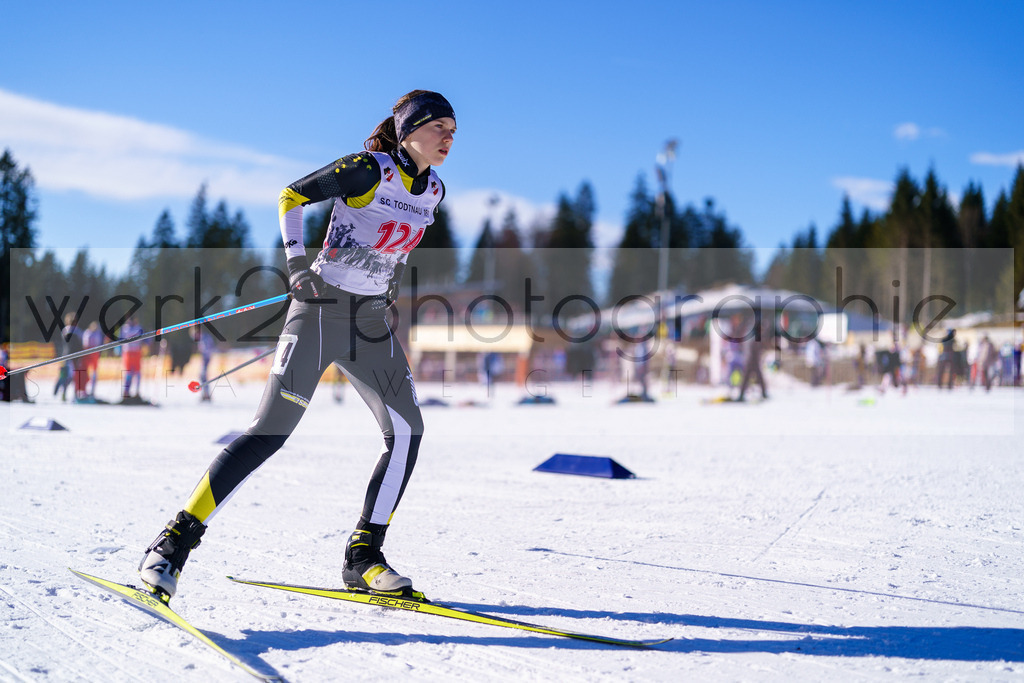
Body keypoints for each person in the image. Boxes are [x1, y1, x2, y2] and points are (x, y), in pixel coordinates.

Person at [138, 90, 456, 599]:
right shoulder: (367, 169)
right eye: (439, 126)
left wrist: (388, 276)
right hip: (321, 311)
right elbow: (291, 196)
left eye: (453, 130)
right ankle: (173, 543)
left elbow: (390, 240)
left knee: (408, 430)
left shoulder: (435, 189)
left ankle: (364, 557)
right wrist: (295, 266)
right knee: (270, 432)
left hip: (370, 321)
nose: (448, 137)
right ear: (408, 129)